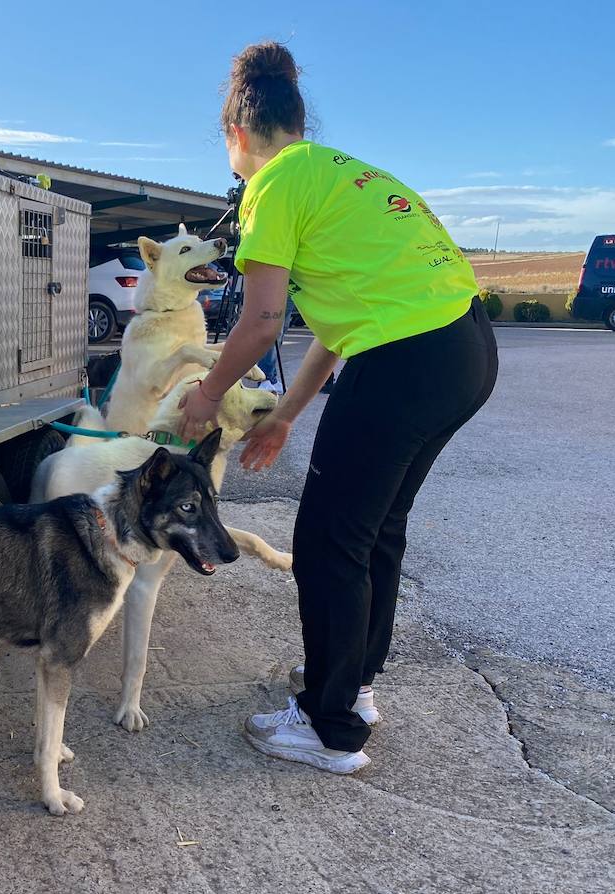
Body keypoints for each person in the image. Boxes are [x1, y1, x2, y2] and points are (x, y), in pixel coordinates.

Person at [179, 41, 498, 774]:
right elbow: (338, 322)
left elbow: (259, 323)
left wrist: (206, 396)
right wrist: (287, 413)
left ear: (236, 133)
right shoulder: (346, 173)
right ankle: (351, 687)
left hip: (407, 361)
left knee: (327, 539)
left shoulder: (271, 185)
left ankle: (328, 729)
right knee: (374, 531)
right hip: (466, 350)